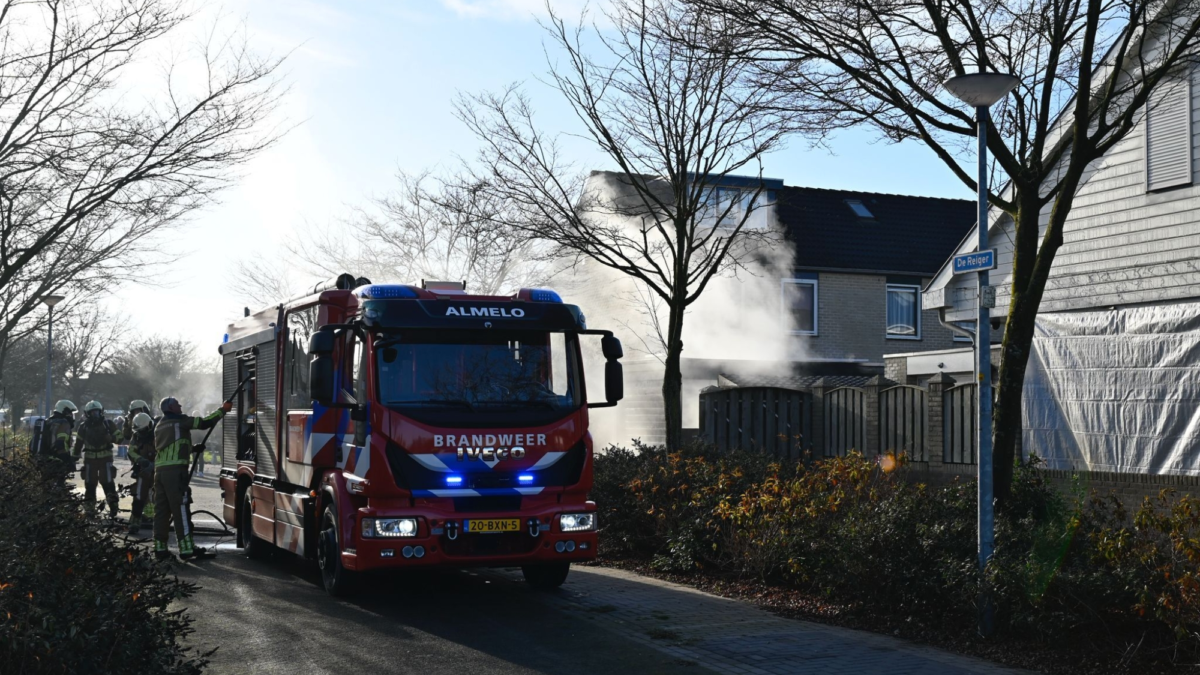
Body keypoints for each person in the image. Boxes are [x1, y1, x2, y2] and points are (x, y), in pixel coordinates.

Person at [153, 397, 230, 561]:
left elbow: (172, 446)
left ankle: (160, 548)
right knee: (180, 510)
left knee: (161, 512)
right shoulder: (180, 420)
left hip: (159, 472)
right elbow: (204, 423)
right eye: (177, 404)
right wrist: (222, 410)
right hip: (175, 473)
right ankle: (187, 549)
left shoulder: (160, 425)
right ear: (171, 408)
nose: (180, 406)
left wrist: (192, 449)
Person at [73, 400, 119, 517]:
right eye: (92, 412)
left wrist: (111, 438)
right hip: (90, 460)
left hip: (105, 459)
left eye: (97, 412)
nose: (95, 414)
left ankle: (113, 507)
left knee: (108, 483)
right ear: (87, 414)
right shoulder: (83, 427)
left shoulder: (108, 424)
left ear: (101, 412)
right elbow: (78, 444)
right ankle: (89, 508)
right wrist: (74, 458)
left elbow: (120, 437)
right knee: (90, 484)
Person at [126, 412, 156, 536]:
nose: (140, 433)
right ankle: (134, 523)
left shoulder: (158, 434)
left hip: (158, 471)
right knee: (139, 497)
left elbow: (164, 451)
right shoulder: (136, 436)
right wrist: (141, 460)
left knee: (158, 496)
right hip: (143, 471)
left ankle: (155, 519)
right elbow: (131, 451)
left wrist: (154, 464)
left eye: (142, 431)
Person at [36, 400, 78, 475]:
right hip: (58, 460)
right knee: (58, 480)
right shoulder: (63, 423)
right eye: (70, 413)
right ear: (64, 411)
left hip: (45, 458)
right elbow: (60, 444)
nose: (71, 416)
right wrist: (68, 460)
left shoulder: (49, 421)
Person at [190, 410, 207, 476]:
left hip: (200, 442)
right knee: (194, 458)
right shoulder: (192, 423)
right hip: (194, 442)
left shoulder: (200, 422)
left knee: (200, 457)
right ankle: (195, 470)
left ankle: (200, 471)